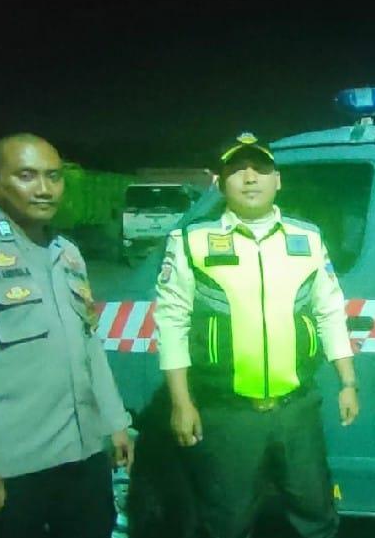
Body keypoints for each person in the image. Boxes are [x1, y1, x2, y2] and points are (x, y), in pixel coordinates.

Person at [0, 133, 133, 538]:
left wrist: (115, 420)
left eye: (53, 176)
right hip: (10, 463)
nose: (44, 189)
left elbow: (89, 344)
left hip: (82, 454)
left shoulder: (66, 253)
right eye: (27, 176)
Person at [153, 132, 360, 538]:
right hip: (226, 414)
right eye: (237, 170)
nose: (250, 178)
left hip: (297, 411)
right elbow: (172, 322)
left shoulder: (307, 239)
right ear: (220, 183)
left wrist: (347, 382)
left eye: (260, 169)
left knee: (316, 517)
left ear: (277, 180)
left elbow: (330, 312)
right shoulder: (192, 241)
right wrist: (181, 402)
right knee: (227, 522)